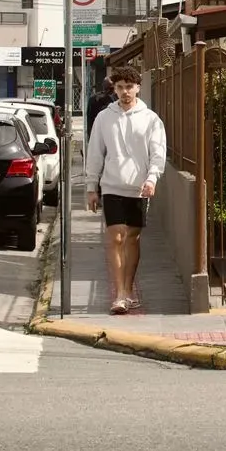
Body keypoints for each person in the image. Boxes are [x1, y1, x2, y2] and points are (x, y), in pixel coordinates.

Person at [84, 66, 167, 315]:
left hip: (139, 187)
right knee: (115, 237)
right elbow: (95, 152)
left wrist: (152, 179)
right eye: (120, 87)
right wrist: (91, 186)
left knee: (132, 238)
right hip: (111, 186)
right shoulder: (104, 117)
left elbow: (158, 152)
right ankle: (119, 294)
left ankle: (128, 290)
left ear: (138, 88)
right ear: (115, 89)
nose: (124, 92)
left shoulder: (150, 119)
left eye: (129, 87)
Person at [84, 77, 114, 142]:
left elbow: (90, 120)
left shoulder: (118, 99)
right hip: (101, 135)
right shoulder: (95, 99)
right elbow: (90, 120)